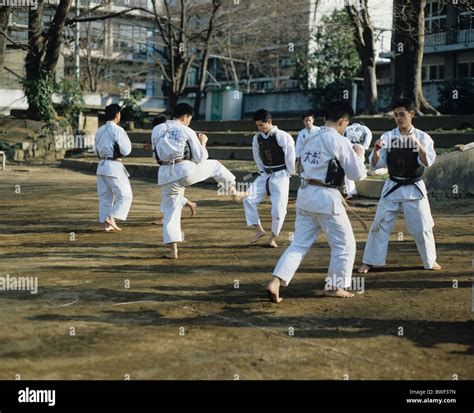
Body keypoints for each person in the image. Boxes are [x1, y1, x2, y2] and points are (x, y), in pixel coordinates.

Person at [266, 101, 367, 303]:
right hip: (325, 198)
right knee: (344, 245)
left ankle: (276, 281)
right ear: (343, 121)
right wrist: (360, 155)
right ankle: (335, 286)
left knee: (299, 244)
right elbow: (358, 174)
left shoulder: (310, 137)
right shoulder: (339, 140)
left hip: (306, 194)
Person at [358, 99, 442, 274]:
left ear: (411, 114)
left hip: (414, 187)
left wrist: (417, 144)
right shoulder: (388, 137)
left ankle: (429, 260)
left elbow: (427, 162)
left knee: (422, 226)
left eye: (402, 114)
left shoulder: (423, 137)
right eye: (395, 115)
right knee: (379, 224)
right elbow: (376, 166)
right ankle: (371, 261)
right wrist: (375, 151)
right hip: (393, 185)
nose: (398, 118)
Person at [153, 103, 245, 259]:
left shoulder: (157, 129)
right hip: (184, 171)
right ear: (185, 116)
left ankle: (172, 250)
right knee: (215, 165)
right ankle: (234, 193)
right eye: (189, 118)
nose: (189, 121)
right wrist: (203, 142)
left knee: (171, 212)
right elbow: (201, 157)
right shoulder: (186, 130)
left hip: (165, 174)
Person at [243, 109, 296, 248]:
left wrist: (290, 172)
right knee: (248, 199)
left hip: (281, 174)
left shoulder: (282, 136)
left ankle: (273, 237)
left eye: (261, 125)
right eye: (257, 125)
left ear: (269, 122)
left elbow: (290, 155)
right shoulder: (257, 138)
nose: (259, 128)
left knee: (278, 209)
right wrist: (261, 169)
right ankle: (259, 230)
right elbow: (257, 154)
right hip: (265, 173)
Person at [145, 115, 196, 225]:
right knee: (173, 194)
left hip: (178, 167)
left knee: (170, 194)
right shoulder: (169, 133)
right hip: (173, 168)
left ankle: (167, 218)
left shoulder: (176, 133)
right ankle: (190, 204)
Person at [94, 104, 133, 232]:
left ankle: (107, 224)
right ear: (117, 115)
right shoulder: (118, 130)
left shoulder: (99, 130)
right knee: (125, 195)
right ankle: (111, 217)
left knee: (105, 197)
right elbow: (126, 150)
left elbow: (96, 150)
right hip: (114, 166)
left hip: (101, 166)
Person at [343, 122, 373, 199]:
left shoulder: (347, 128)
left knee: (349, 172)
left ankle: (351, 192)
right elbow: (368, 137)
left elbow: (343, 137)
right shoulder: (365, 129)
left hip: (351, 148)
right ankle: (351, 192)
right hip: (358, 148)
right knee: (350, 171)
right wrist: (364, 147)